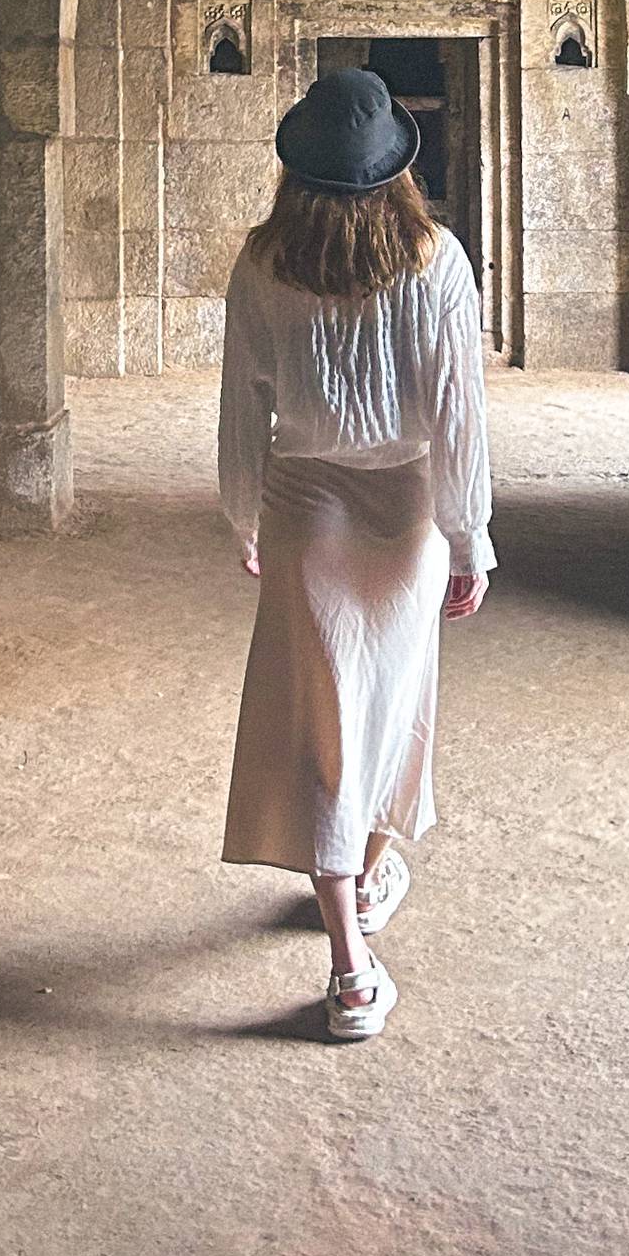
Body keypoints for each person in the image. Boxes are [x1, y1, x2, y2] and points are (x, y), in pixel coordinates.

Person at [218, 67, 494, 1041]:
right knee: (387, 710)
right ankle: (349, 962)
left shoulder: (261, 264)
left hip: (306, 506)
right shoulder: (439, 260)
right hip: (406, 515)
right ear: (395, 172)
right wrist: (469, 534)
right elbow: (458, 413)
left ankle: (360, 884)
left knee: (326, 726)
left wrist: (246, 514)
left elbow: (244, 401)